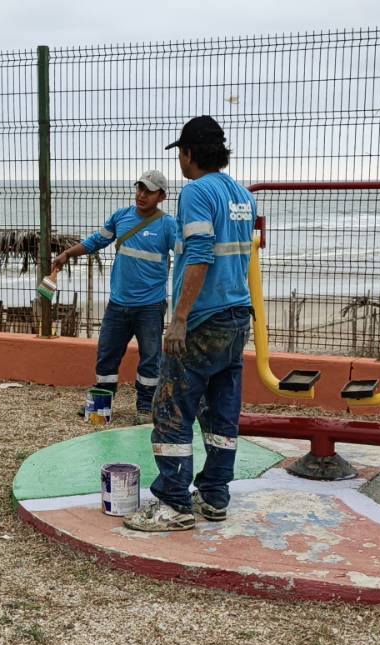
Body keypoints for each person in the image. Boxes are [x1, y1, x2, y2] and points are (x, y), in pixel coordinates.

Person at [126, 116, 256, 533]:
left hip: (202, 319)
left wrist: (179, 319)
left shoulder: (197, 192)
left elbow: (200, 253)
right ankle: (214, 495)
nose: (180, 161)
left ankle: (173, 502)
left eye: (180, 153)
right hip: (237, 317)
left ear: (188, 153)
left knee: (172, 408)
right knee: (221, 412)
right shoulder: (242, 195)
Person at [50, 170, 179, 420]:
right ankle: (101, 406)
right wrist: (67, 254)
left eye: (149, 191)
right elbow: (96, 241)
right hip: (118, 304)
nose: (142, 195)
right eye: (140, 188)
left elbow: (184, 256)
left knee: (150, 359)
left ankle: (145, 408)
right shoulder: (121, 217)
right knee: (107, 356)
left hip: (150, 306)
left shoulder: (167, 225)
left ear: (162, 196)